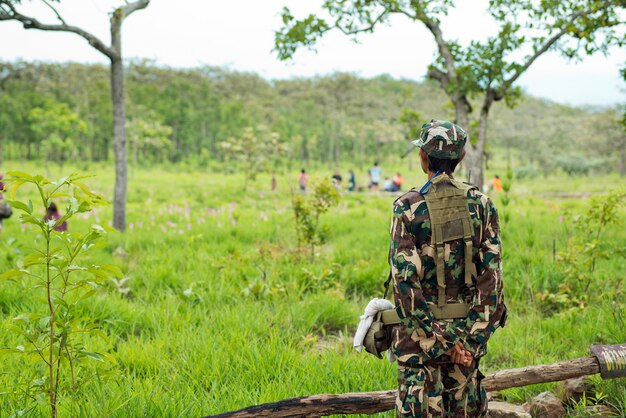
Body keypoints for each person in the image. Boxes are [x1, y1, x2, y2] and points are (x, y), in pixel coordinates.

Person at [389, 119, 506, 417]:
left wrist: (436, 341)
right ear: (462, 157)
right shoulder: (482, 204)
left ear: (423, 158)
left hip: (419, 346)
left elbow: (404, 282)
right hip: (466, 347)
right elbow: (492, 281)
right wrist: (467, 343)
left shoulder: (408, 206)